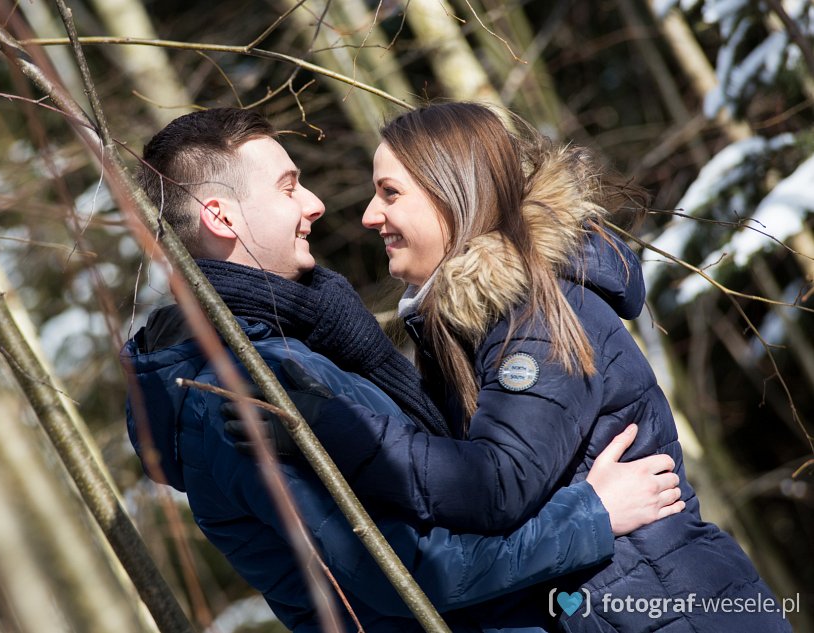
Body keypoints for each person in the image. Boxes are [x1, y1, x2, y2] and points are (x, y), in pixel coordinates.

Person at [229, 102, 791, 632]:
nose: (370, 216)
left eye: (390, 193)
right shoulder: (476, 326)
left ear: (453, 194)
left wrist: (328, 427)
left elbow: (495, 483)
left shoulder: (538, 314)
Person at [122, 107, 684, 632]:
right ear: (220, 217)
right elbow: (414, 571)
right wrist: (589, 516)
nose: (316, 204)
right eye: (288, 187)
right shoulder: (243, 390)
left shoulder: (300, 349)